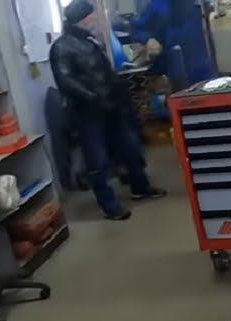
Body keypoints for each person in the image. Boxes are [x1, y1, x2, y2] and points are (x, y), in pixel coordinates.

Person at [51, 0, 167, 221]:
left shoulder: (89, 41)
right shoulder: (61, 47)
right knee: (97, 161)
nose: (95, 19)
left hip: (111, 106)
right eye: (92, 16)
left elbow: (103, 73)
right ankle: (109, 205)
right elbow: (65, 81)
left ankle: (140, 188)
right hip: (88, 113)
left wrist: (117, 89)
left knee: (130, 148)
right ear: (82, 19)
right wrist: (93, 98)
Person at [130, 0, 215, 87]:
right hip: (175, 72)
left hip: (210, 72)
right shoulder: (159, 4)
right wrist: (148, 40)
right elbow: (137, 29)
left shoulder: (206, 3)